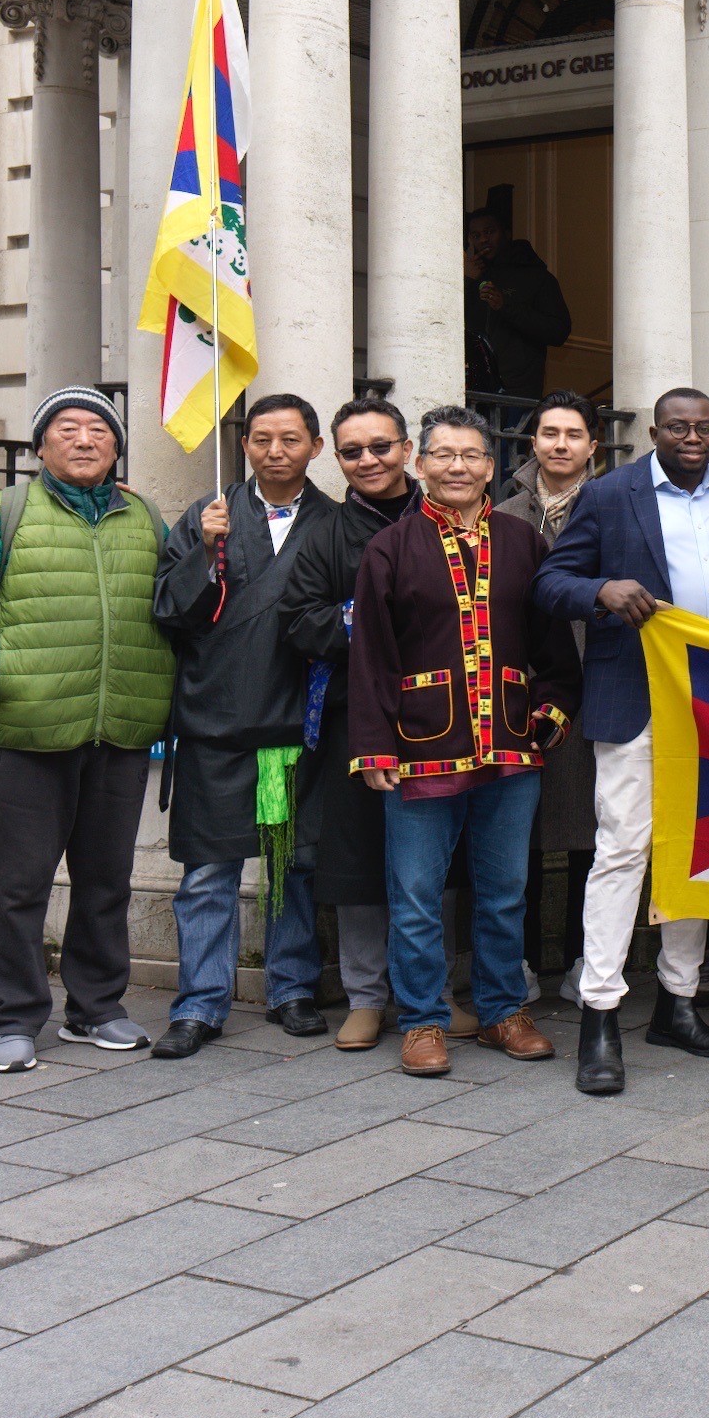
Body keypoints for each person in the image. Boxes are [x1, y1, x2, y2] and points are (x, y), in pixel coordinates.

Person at [0, 386, 176, 1073]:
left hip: (120, 728)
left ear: (116, 447)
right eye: (66, 428)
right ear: (40, 446)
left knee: (107, 878)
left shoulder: (145, 516)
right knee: (18, 884)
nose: (84, 439)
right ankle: (12, 1016)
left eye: (99, 429)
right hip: (26, 731)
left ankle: (96, 1006)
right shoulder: (1, 513)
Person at [535, 386, 709, 1083]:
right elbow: (552, 581)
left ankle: (678, 1002)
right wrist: (602, 589)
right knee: (624, 851)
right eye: (677, 426)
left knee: (696, 851)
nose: (692, 436)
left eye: (704, 426)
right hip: (634, 698)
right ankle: (600, 1016)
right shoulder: (611, 494)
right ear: (654, 431)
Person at [350, 405, 579, 1078]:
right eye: (444, 454)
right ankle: (423, 1018)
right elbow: (370, 655)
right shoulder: (388, 548)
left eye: (472, 454)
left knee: (505, 888)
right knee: (417, 893)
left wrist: (552, 710)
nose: (458, 466)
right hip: (419, 746)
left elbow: (554, 652)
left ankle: (505, 1008)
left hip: (510, 746)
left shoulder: (522, 540)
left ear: (491, 465)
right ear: (420, 463)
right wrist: (375, 748)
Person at [150, 394, 341, 1058]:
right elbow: (169, 607)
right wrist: (204, 549)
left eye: (291, 438)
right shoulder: (213, 515)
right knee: (208, 873)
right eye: (261, 438)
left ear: (316, 446)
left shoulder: (335, 523)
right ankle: (200, 1001)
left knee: (292, 869)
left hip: (294, 727)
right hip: (217, 723)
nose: (275, 450)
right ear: (245, 444)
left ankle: (292, 987)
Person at [282, 396, 423, 1049]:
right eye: (353, 450)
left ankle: (434, 990)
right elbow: (301, 619)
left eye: (381, 446)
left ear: (407, 449)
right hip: (353, 719)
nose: (368, 459)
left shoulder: (445, 516)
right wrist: (372, 622)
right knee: (359, 861)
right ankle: (366, 994)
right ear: (335, 457)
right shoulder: (325, 533)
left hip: (441, 718)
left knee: (437, 862)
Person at [496, 392, 603, 1018]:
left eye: (573, 434)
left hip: (593, 688)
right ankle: (526, 959)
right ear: (532, 442)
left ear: (593, 445)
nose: (560, 444)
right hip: (517, 691)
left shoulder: (617, 509)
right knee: (522, 833)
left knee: (592, 829)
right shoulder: (503, 511)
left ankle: (589, 957)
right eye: (548, 433)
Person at [462, 202, 573, 406]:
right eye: (476, 235)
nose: (484, 239)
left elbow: (559, 331)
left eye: (489, 232)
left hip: (517, 392)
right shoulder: (473, 276)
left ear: (506, 233)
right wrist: (469, 281)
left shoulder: (537, 277)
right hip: (473, 390)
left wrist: (505, 306)